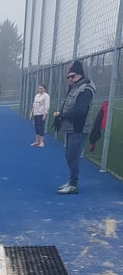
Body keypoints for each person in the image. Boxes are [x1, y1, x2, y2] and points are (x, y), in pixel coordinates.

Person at [53, 60, 96, 195]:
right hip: (71, 127)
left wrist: (63, 115)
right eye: (68, 77)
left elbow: (81, 110)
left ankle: (73, 185)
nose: (69, 79)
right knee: (69, 155)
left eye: (72, 76)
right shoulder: (75, 86)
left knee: (73, 156)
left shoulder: (86, 89)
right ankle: (71, 181)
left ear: (79, 75)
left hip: (79, 128)